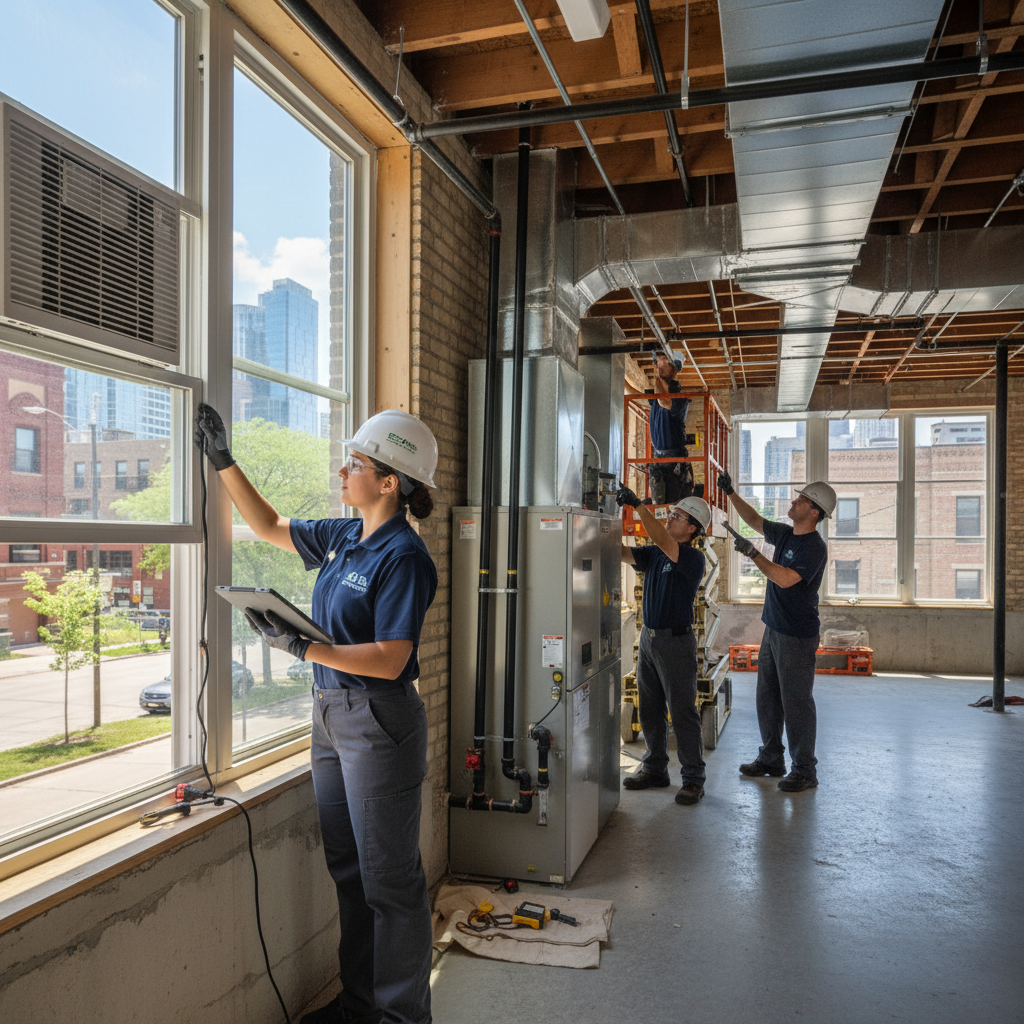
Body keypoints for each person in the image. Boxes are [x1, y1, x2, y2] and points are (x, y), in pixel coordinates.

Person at [196, 403, 438, 1024]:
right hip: (329, 714)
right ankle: (361, 1006)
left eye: (354, 463)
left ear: (389, 482)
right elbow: (270, 524)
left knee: (390, 881)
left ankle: (403, 1017)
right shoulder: (343, 536)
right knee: (350, 869)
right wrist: (224, 460)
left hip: (378, 721)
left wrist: (303, 645)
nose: (341, 470)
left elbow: (391, 658)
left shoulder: (404, 557)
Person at [718, 472, 836, 793]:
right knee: (767, 696)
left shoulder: (814, 548)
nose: (794, 501)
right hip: (773, 628)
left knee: (796, 701)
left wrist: (753, 554)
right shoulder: (784, 534)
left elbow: (784, 578)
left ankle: (804, 769)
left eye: (801, 500)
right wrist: (730, 492)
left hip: (797, 635)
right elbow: (754, 519)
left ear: (814, 512)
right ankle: (771, 757)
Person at [617, 487, 712, 805]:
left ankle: (693, 779)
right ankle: (655, 769)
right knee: (650, 708)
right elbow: (623, 553)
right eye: (670, 513)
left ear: (692, 528)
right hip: (649, 639)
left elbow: (661, 539)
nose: (670, 517)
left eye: (677, 515)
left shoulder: (691, 558)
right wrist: (597, 522)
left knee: (682, 712)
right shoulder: (656, 553)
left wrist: (638, 506)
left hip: (676, 641)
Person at [626, 350, 694, 504]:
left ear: (675, 368)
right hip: (659, 458)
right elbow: (635, 396)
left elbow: (664, 401)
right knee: (659, 502)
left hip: (675, 460)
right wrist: (619, 377)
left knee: (673, 504)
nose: (659, 365)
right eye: (658, 361)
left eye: (664, 361)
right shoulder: (655, 399)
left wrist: (656, 378)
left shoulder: (680, 399)